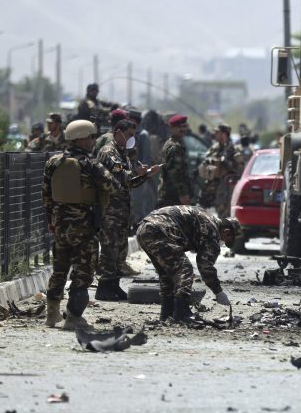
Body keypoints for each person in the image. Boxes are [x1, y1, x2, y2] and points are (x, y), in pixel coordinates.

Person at [42, 119, 122, 330]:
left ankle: (51, 315)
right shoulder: (90, 164)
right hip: (84, 225)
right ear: (83, 138)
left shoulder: (54, 162)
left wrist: (52, 219)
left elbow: (46, 194)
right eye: (92, 137)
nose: (93, 141)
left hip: (60, 223)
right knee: (83, 271)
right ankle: (74, 317)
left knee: (59, 269)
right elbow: (113, 186)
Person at [135, 206, 239, 322]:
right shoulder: (212, 230)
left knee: (166, 273)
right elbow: (205, 265)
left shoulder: (205, 217)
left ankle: (167, 313)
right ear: (227, 232)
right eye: (226, 240)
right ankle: (182, 312)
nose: (223, 242)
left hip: (143, 229)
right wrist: (218, 291)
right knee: (184, 269)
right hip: (159, 230)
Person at [95, 119, 161, 301]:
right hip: (110, 210)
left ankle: (114, 285)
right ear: (118, 132)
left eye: (133, 135)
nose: (131, 139)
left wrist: (146, 175)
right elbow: (120, 175)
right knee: (109, 249)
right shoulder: (109, 152)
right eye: (129, 135)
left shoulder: (122, 154)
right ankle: (104, 287)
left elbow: (129, 182)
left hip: (121, 210)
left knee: (120, 250)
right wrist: (136, 173)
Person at [198, 123, 238, 217]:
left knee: (223, 210)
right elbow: (207, 159)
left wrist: (226, 162)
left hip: (225, 184)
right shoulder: (215, 147)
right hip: (212, 183)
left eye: (217, 133)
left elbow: (238, 168)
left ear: (224, 134)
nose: (215, 135)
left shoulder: (232, 149)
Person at [157, 114, 191, 207]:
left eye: (184, 127)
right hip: (172, 195)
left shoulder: (173, 143)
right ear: (171, 128)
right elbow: (175, 173)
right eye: (179, 127)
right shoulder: (174, 147)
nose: (183, 130)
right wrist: (182, 194)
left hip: (170, 193)